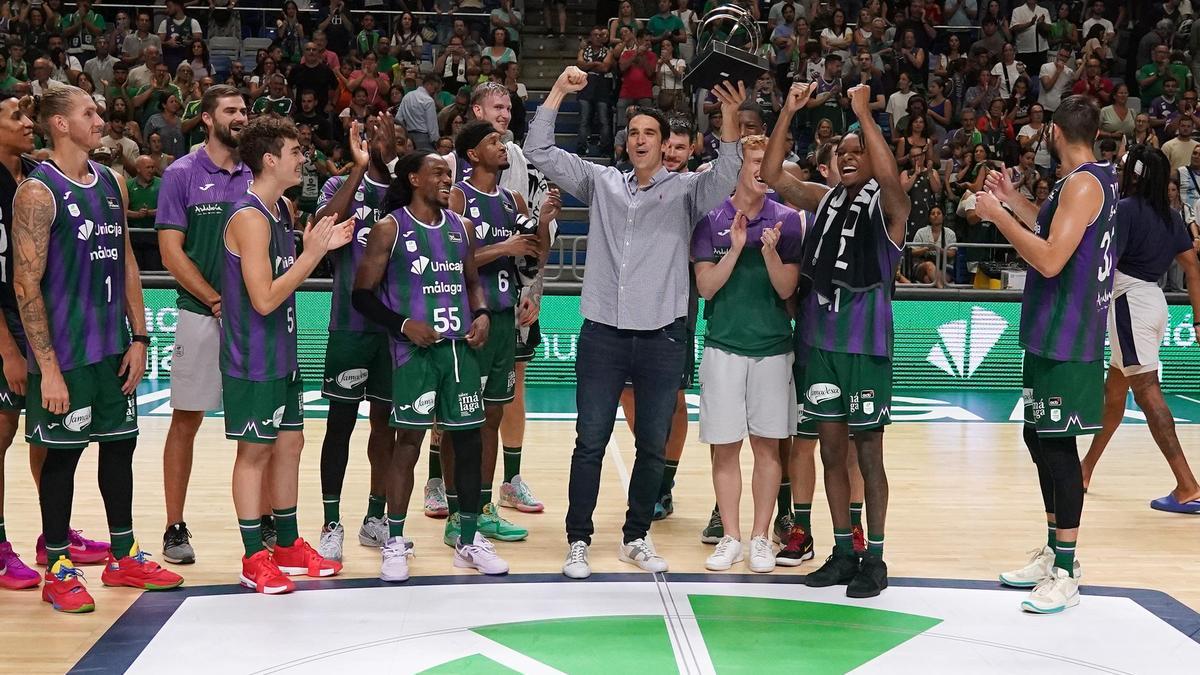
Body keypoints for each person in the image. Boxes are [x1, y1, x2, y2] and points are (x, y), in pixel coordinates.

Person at [525, 66, 745, 579]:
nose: (642, 140)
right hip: (603, 332)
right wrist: (558, 90)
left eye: (652, 133)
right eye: (635, 133)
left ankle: (636, 536)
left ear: (666, 143)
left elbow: (729, 173)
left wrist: (730, 117)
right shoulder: (600, 182)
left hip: (662, 337)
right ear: (625, 143)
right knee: (590, 441)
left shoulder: (689, 191)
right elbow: (539, 151)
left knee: (651, 445)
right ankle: (578, 539)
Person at [13, 85, 184, 612]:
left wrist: (139, 337)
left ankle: (123, 554)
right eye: (87, 112)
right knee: (61, 459)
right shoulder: (37, 194)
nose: (100, 117)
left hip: (113, 349)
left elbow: (127, 261)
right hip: (65, 357)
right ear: (60, 124)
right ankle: (59, 567)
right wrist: (49, 370)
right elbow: (25, 284)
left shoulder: (112, 181)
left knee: (121, 447)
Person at [762, 81, 911, 599]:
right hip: (820, 343)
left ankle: (877, 557)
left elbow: (892, 180)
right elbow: (769, 174)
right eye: (840, 153)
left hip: (865, 345)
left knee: (868, 454)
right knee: (829, 453)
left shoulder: (889, 208)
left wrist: (863, 114)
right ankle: (844, 550)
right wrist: (789, 108)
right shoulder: (823, 200)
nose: (849, 158)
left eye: (858, 152)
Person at [975, 94, 1119, 614]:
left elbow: (1052, 258)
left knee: (1058, 451)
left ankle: (1067, 569)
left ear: (1054, 132)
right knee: (1037, 437)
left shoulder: (1082, 183)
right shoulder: (1085, 180)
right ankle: (1055, 549)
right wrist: (1014, 200)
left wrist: (996, 217)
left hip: (1069, 335)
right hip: (1048, 332)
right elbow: (1056, 229)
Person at [350, 151, 510, 577]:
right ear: (414, 177)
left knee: (469, 442)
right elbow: (361, 295)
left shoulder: (463, 228)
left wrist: (482, 315)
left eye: (449, 174)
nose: (447, 179)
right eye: (438, 173)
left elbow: (474, 283)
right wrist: (404, 324)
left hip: (459, 351)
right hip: (414, 353)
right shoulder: (390, 228)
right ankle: (396, 541)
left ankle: (469, 538)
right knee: (408, 445)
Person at [222, 116, 351, 595]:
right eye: (296, 151)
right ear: (270, 159)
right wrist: (312, 254)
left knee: (291, 445)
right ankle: (254, 555)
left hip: (283, 352)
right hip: (252, 357)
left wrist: (321, 245)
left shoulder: (280, 213)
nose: (305, 158)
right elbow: (264, 299)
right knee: (254, 452)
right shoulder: (251, 217)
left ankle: (289, 545)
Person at [440, 120, 556, 547]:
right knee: (460, 421)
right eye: (493, 141)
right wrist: (506, 248)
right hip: (470, 320)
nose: (503, 145)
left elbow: (533, 256)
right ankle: (457, 513)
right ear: (472, 154)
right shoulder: (457, 196)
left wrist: (542, 224)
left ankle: (484, 508)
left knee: (491, 417)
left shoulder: (513, 198)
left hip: (505, 319)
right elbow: (452, 255)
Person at [694, 134, 803, 574]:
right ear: (739, 164)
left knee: (767, 447)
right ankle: (731, 537)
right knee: (724, 448)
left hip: (773, 350)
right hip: (723, 347)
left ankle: (761, 537)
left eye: (770, 162)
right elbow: (705, 287)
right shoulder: (710, 217)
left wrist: (772, 253)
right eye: (756, 161)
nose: (764, 170)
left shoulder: (789, 220)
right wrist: (736, 250)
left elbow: (786, 289)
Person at [155, 85, 253, 564]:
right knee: (186, 422)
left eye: (244, 110)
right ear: (208, 119)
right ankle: (174, 526)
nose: (241, 116)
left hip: (253, 323)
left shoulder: (259, 173)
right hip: (201, 315)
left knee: (261, 427)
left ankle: (267, 524)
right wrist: (215, 300)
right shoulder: (181, 174)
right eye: (231, 110)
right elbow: (171, 253)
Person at [1079, 146, 1200, 512]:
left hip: (1129, 304)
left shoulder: (1126, 210)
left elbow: (1102, 261)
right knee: (1114, 394)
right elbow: (1193, 268)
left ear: (1136, 173)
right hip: (1153, 303)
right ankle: (1084, 470)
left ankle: (1187, 486)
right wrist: (1198, 319)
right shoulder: (1172, 216)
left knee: (1147, 392)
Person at [312, 115, 398, 562]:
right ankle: (331, 523)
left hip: (394, 330)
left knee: (386, 426)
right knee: (339, 425)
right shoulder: (340, 187)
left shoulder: (408, 191)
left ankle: (376, 516)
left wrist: (385, 165)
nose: (381, 142)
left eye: (391, 137)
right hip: (349, 326)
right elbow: (323, 227)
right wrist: (360, 168)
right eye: (374, 137)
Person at [0, 95, 50, 591]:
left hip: (36, 317)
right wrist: (8, 350)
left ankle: (52, 536)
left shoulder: (37, 175)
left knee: (47, 432)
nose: (28, 122)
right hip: (3, 324)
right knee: (1, 433)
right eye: (16, 117)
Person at [397, 74, 441, 151]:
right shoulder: (429, 101)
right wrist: (437, 143)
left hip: (408, 138)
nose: (435, 92)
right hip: (424, 140)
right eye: (435, 88)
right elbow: (432, 128)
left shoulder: (407, 96)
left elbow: (398, 119)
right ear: (429, 84)